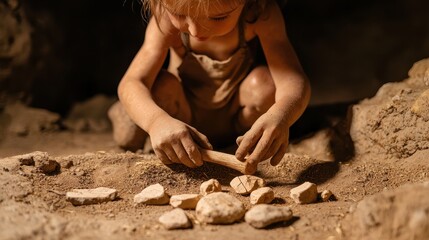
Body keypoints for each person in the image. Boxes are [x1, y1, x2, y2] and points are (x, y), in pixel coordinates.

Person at [108, 0, 311, 170]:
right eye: (179, 14)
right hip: (181, 120)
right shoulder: (164, 20)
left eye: (218, 17)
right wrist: (156, 121)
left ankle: (232, 145)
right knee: (159, 89)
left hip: (237, 121)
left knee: (265, 84)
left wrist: (281, 115)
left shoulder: (258, 15)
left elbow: (293, 80)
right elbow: (132, 81)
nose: (195, 31)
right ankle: (123, 113)